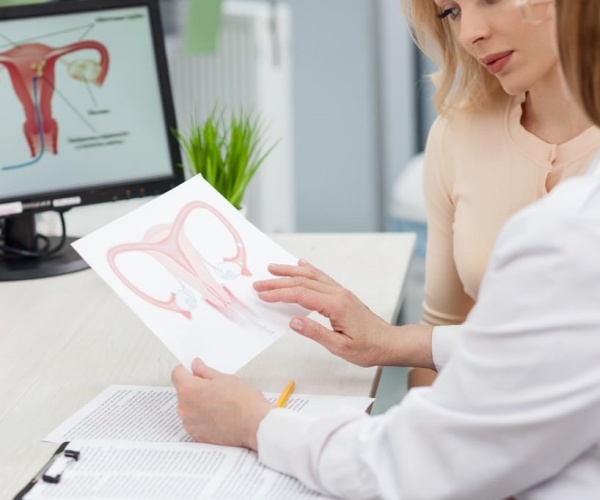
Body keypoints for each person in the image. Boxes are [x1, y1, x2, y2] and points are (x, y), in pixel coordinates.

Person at [171, 0, 600, 497]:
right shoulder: (464, 137)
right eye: (451, 13)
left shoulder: (568, 232)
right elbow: (553, 348)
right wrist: (393, 342)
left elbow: (416, 465)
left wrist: (255, 423)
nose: (469, 34)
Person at [404, 0, 600, 389]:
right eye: (451, 12)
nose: (468, 33)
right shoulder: (457, 132)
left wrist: (389, 342)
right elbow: (440, 333)